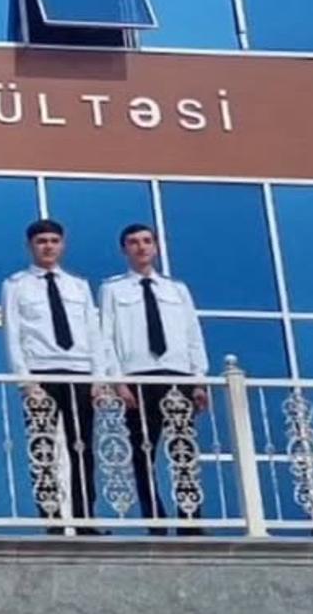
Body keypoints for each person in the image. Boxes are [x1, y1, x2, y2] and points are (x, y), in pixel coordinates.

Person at [99, 223, 210, 534]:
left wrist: (198, 380)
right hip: (138, 376)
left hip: (177, 376)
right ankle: (155, 520)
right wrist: (117, 381)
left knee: (183, 450)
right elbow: (106, 337)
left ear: (156, 247)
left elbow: (192, 334)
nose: (141, 247)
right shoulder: (113, 289)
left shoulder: (176, 289)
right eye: (134, 242)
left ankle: (191, 520)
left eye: (147, 241)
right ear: (124, 250)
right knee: (141, 451)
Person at [1, 219, 111, 533]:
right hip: (41, 373)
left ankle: (85, 518)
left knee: (82, 447)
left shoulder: (78, 285)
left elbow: (93, 332)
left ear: (62, 244)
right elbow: (13, 334)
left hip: (79, 372)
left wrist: (99, 378)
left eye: (53, 241)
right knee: (43, 448)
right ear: (30, 246)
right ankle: (52, 519)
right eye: (41, 241)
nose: (48, 246)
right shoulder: (16, 285)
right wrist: (25, 380)